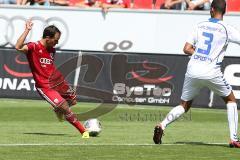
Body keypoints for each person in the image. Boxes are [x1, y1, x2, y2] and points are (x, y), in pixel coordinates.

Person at [153, 0, 240, 148]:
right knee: (231, 100)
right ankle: (233, 138)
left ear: (211, 9)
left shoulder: (199, 25)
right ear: (224, 11)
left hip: (193, 69)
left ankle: (162, 125)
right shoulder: (227, 29)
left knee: (184, 105)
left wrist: (199, 54)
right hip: (212, 71)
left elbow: (186, 48)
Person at [15, 19, 89, 139]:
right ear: (48, 38)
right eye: (55, 40)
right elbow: (18, 46)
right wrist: (27, 30)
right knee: (64, 106)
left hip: (59, 82)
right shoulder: (33, 47)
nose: (57, 43)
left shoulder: (51, 50)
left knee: (73, 101)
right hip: (45, 86)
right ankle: (83, 131)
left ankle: (57, 109)